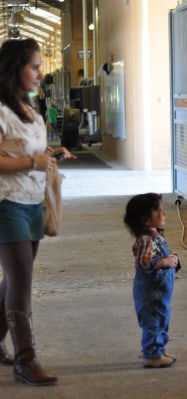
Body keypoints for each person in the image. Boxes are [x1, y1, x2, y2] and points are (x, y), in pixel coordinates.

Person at [0, 38, 76, 386]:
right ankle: (25, 360)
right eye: (34, 66)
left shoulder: (27, 107)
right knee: (22, 278)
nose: (40, 73)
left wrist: (51, 153)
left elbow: (29, 148)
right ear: (15, 69)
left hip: (33, 201)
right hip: (6, 203)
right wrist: (32, 161)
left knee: (16, 275)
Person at [123, 193, 181, 368]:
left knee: (162, 318)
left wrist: (173, 259)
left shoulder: (157, 237)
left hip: (162, 290)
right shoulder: (145, 240)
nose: (164, 213)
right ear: (145, 219)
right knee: (153, 321)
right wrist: (164, 261)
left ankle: (159, 349)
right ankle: (152, 354)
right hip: (151, 292)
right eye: (158, 210)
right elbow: (144, 262)